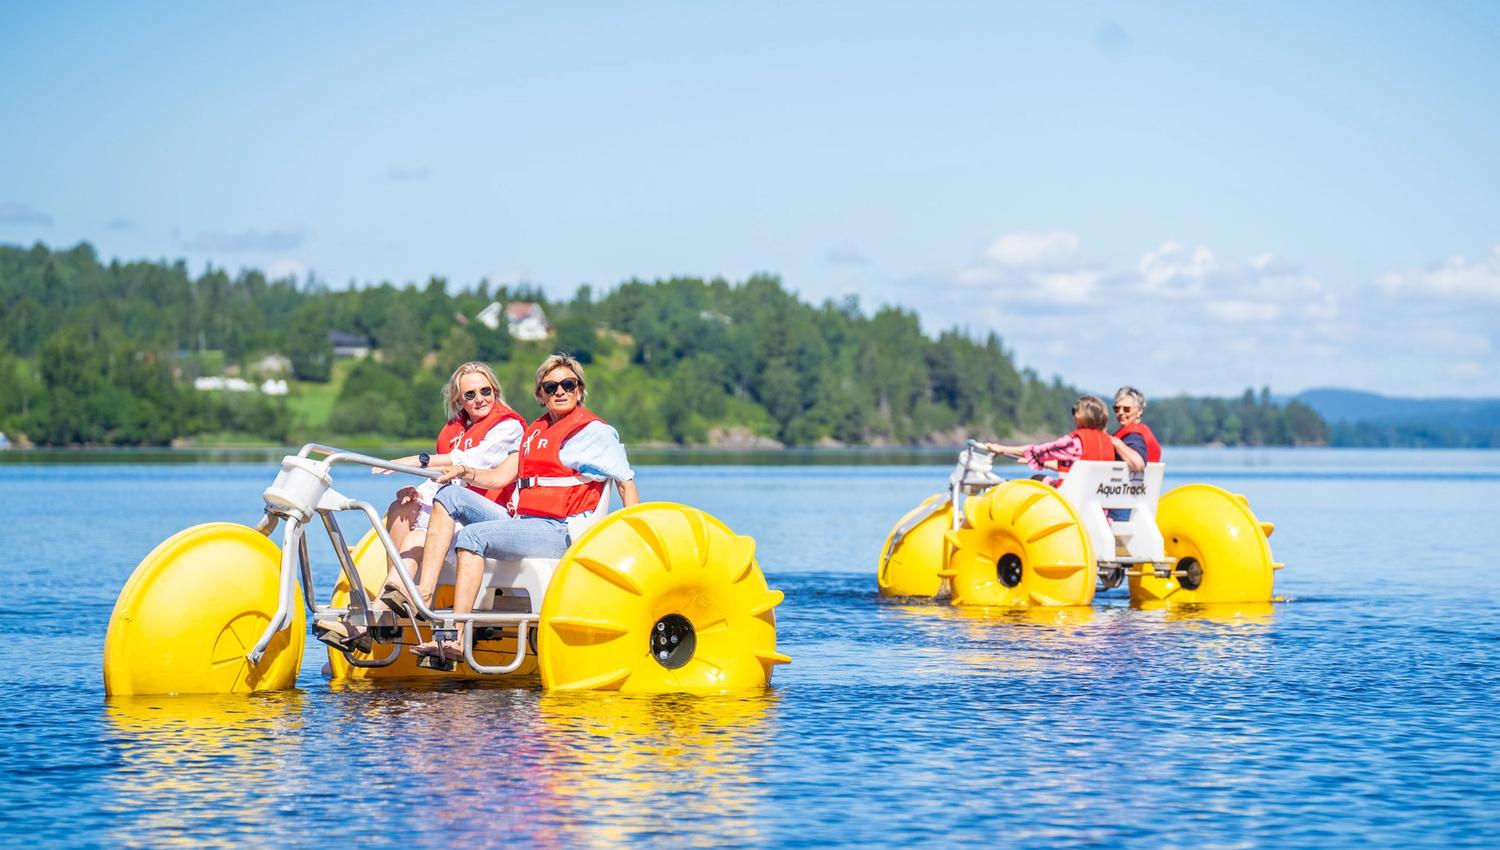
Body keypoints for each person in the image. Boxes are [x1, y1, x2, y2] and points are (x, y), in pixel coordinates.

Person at [414, 353, 640, 659]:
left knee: (472, 536)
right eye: (551, 387)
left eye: (567, 384)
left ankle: (456, 636)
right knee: (449, 496)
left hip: (560, 530)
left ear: (580, 389)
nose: (560, 391)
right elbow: (499, 478)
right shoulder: (536, 431)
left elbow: (626, 483)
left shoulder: (594, 432)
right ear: (540, 395)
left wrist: (632, 541)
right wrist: (464, 472)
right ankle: (423, 595)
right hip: (525, 520)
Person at [370, 362, 524, 616]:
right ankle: (394, 594)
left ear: (495, 392)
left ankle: (383, 610)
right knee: (401, 508)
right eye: (470, 395)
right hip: (454, 506)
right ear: (458, 400)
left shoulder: (509, 427)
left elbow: (473, 461)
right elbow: (445, 477)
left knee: (417, 536)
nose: (480, 399)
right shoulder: (456, 430)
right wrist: (417, 492)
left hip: (489, 511)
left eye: (486, 391)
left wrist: (419, 460)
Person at [984, 395, 1142, 483]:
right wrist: (1043, 462)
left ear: (1082, 415)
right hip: (1099, 506)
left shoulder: (1074, 442)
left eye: (1075, 411)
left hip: (1073, 504)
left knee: (1035, 480)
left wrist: (1002, 449)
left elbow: (1036, 451)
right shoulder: (1109, 442)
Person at [1111, 385, 1161, 472]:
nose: (1120, 412)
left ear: (1139, 411)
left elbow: (1138, 464)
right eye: (1116, 409)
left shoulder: (1134, 436)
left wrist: (1115, 442)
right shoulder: (1141, 432)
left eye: (1126, 409)